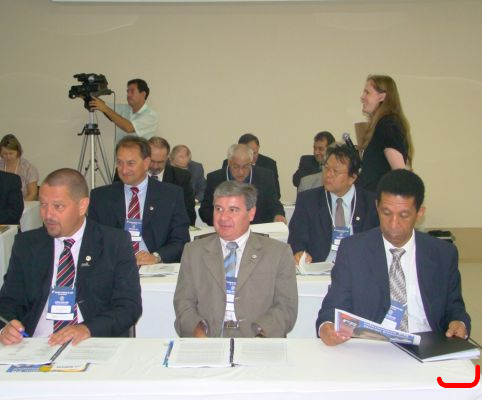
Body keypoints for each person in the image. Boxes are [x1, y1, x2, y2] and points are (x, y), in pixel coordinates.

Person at [316, 169, 471, 345]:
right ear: (377, 207)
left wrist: (459, 323)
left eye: (404, 215)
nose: (393, 223)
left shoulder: (443, 254)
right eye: (386, 213)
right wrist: (326, 326)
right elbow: (333, 308)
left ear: (420, 213)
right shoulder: (353, 251)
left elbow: (454, 309)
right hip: (372, 346)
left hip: (428, 344)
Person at [0, 168, 142, 346]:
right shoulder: (27, 244)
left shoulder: (114, 243)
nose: (48, 215)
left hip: (90, 342)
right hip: (35, 343)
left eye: (58, 206)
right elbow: (9, 301)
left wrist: (87, 329)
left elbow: (128, 307)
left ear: (82, 206)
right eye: (43, 205)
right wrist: (6, 327)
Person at [174, 181, 298, 338]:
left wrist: (261, 340)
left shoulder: (278, 253)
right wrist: (199, 335)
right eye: (218, 209)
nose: (223, 217)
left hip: (258, 339)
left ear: (251, 213)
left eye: (233, 210)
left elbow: (286, 307)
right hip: (208, 338)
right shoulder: (193, 252)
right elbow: (183, 302)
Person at [88, 136, 190, 265]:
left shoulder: (170, 195)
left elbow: (181, 240)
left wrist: (156, 257)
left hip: (154, 267)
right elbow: (92, 241)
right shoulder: (101, 197)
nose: (124, 170)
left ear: (146, 163)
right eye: (119, 162)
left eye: (130, 163)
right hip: (114, 267)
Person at [288, 145, 379, 264]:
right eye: (326, 168)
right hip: (319, 268)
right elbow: (296, 239)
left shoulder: (371, 203)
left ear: (352, 178)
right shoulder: (308, 200)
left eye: (335, 171)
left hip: (358, 268)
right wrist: (299, 252)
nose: (328, 175)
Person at [200, 144, 285, 226]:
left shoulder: (265, 176)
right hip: (226, 228)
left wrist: (278, 215)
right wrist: (223, 220)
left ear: (251, 162)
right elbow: (205, 210)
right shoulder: (215, 178)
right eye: (236, 166)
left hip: (257, 229)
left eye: (245, 166)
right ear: (229, 162)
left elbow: (274, 204)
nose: (241, 172)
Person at [357, 74, 414, 191]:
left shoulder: (387, 125)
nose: (362, 97)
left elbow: (399, 172)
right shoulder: (385, 124)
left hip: (379, 198)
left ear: (382, 97)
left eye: (367, 92)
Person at [89, 78, 158, 142]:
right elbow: (104, 105)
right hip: (119, 151)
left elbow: (129, 128)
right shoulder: (124, 108)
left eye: (132, 91)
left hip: (140, 152)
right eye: (127, 91)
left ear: (143, 94)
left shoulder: (150, 115)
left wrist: (105, 108)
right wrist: (87, 95)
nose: (128, 95)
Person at [147, 137, 196, 226]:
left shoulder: (181, 178)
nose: (155, 166)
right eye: (152, 161)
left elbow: (188, 214)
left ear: (168, 158)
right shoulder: (132, 175)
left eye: (160, 162)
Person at [221, 133, 281, 199]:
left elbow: (276, 194)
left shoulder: (269, 164)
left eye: (254, 153)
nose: (251, 157)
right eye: (248, 153)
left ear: (258, 148)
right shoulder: (229, 163)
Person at [0, 133, 39, 200]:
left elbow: (32, 194)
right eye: (5, 154)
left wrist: (20, 205)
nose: (8, 157)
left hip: (23, 204)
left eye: (11, 153)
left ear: (18, 152)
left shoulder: (29, 169)